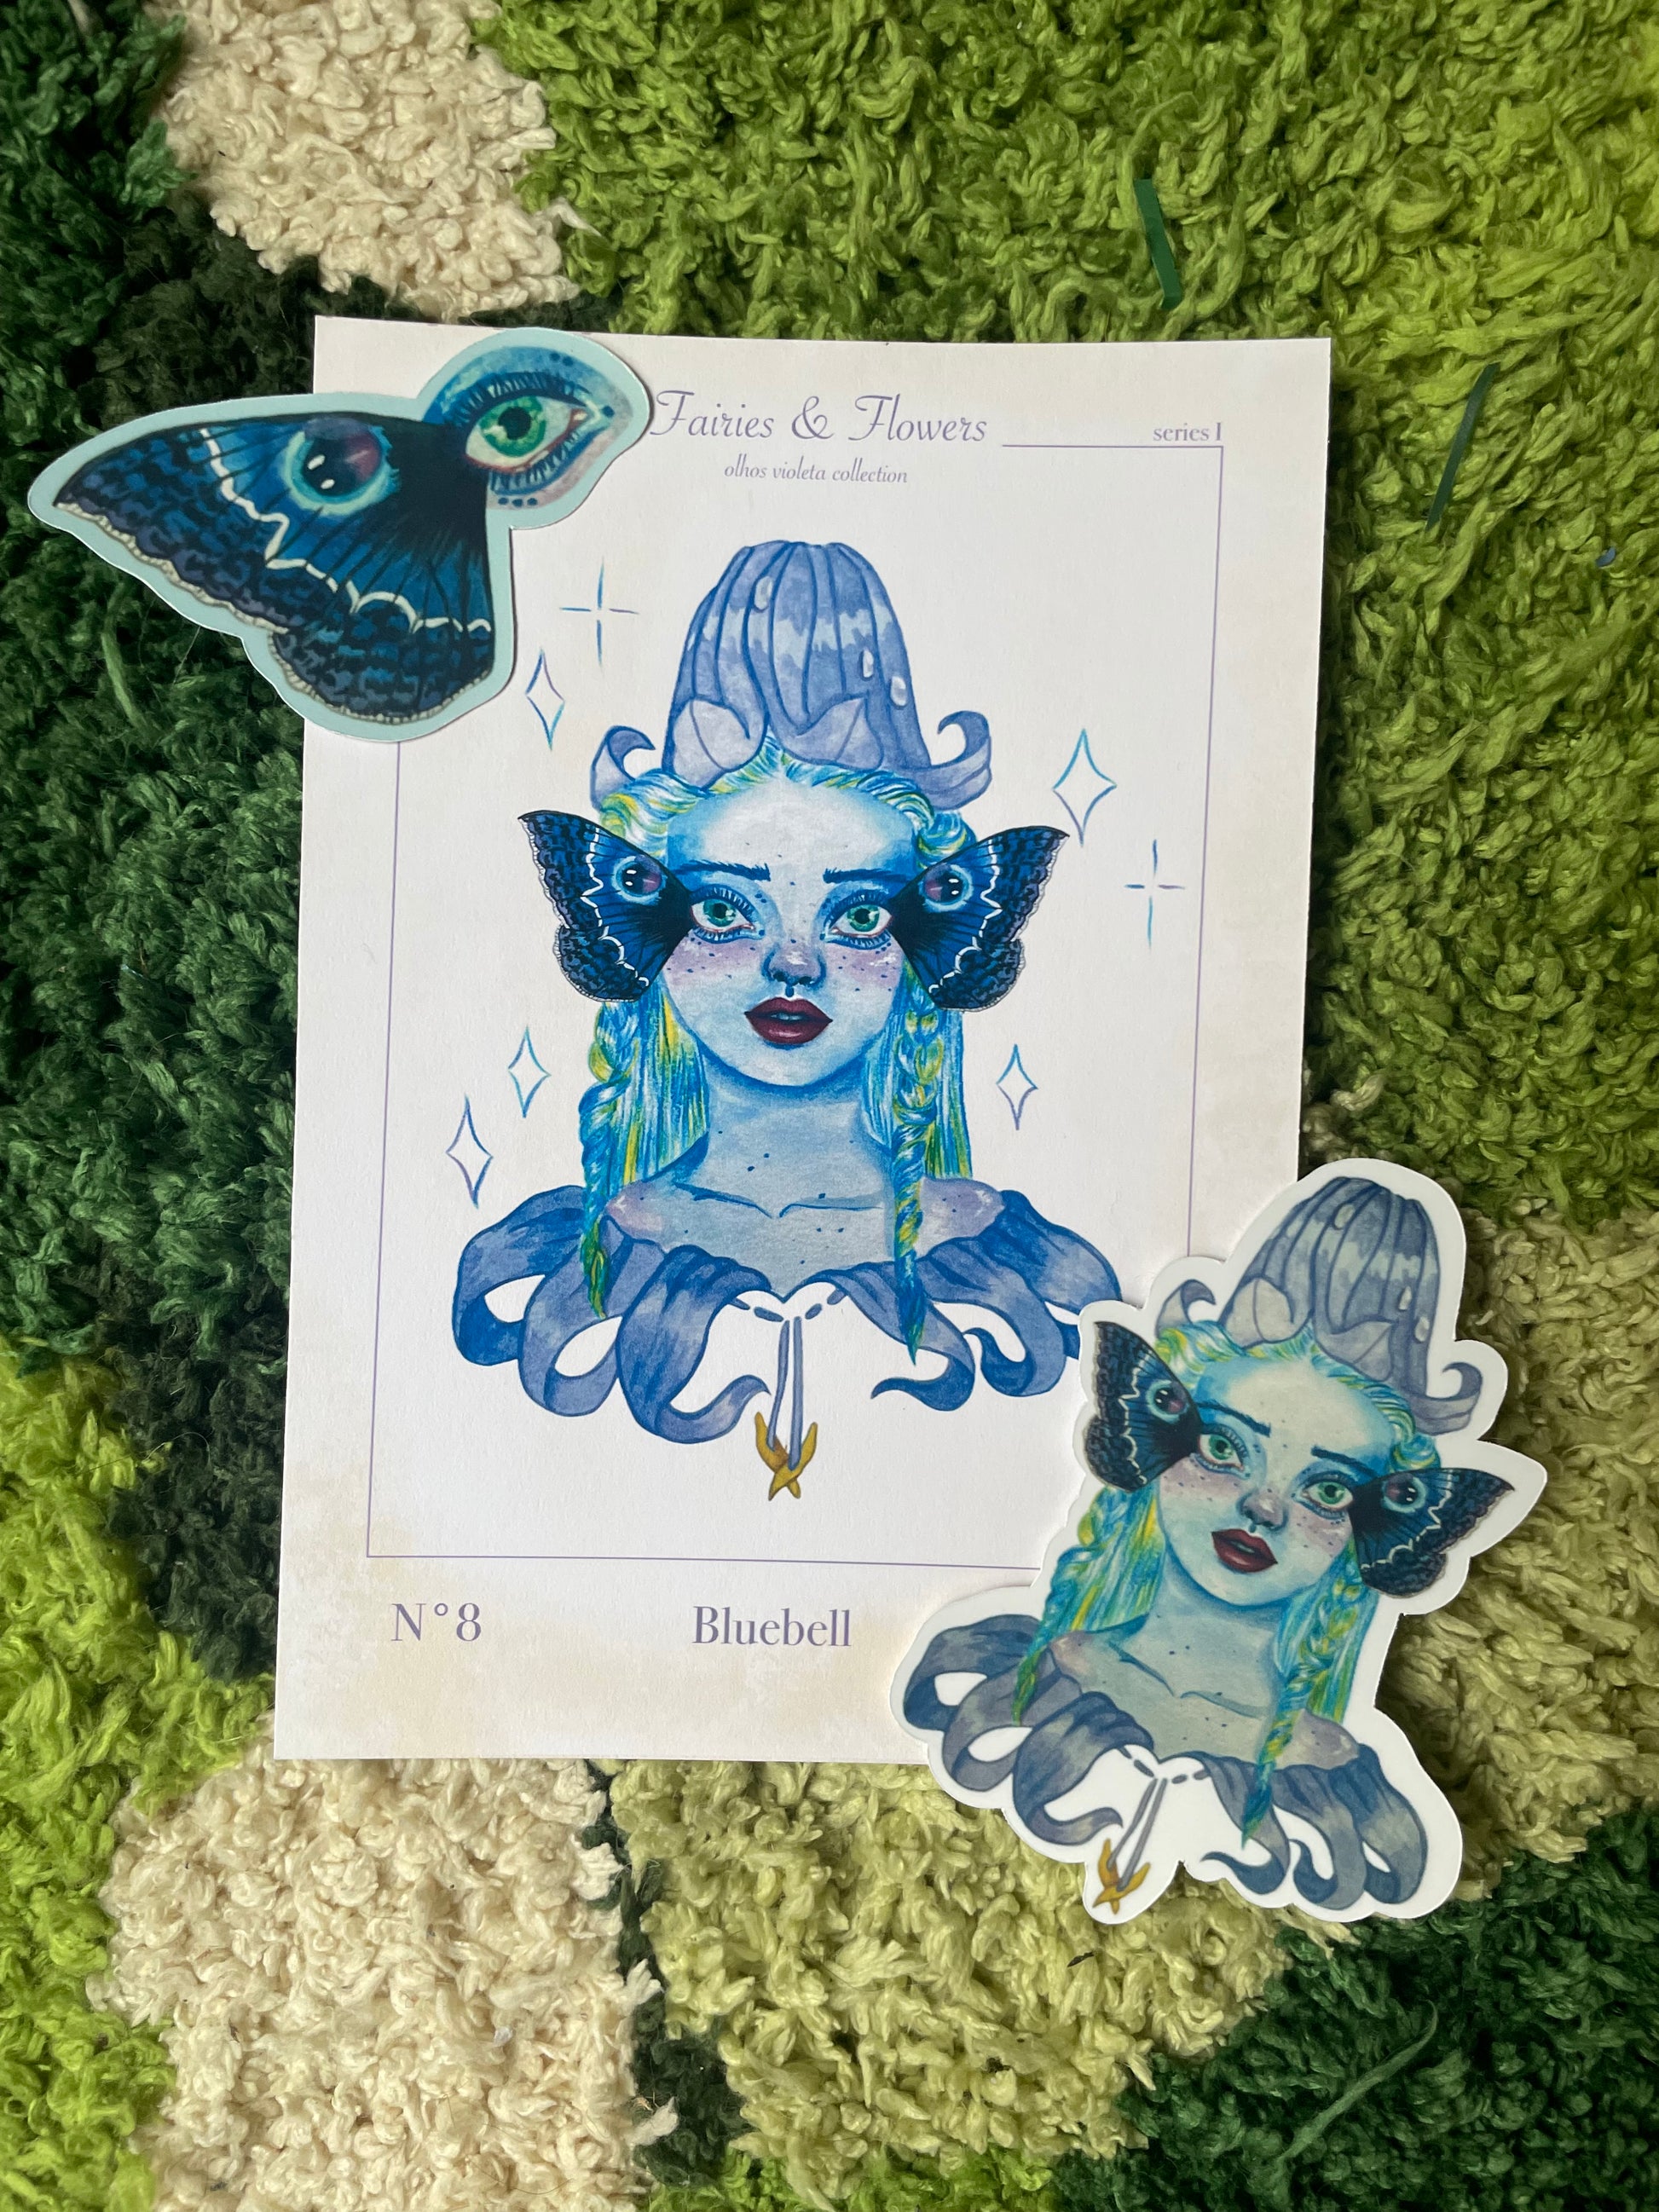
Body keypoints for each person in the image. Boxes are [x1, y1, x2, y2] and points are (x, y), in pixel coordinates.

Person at [453, 540, 1115, 1490]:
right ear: (637, 924)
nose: (793, 964)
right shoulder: (573, 1254)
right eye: (726, 910)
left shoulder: (1015, 1260)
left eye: (859, 916)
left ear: (936, 937)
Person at [901, 1173, 1517, 1914]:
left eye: (1327, 1490)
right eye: (1224, 1448)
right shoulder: (996, 1675)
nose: (1262, 1507)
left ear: (1387, 1524)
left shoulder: (1349, 1803)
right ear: (1154, 1432)